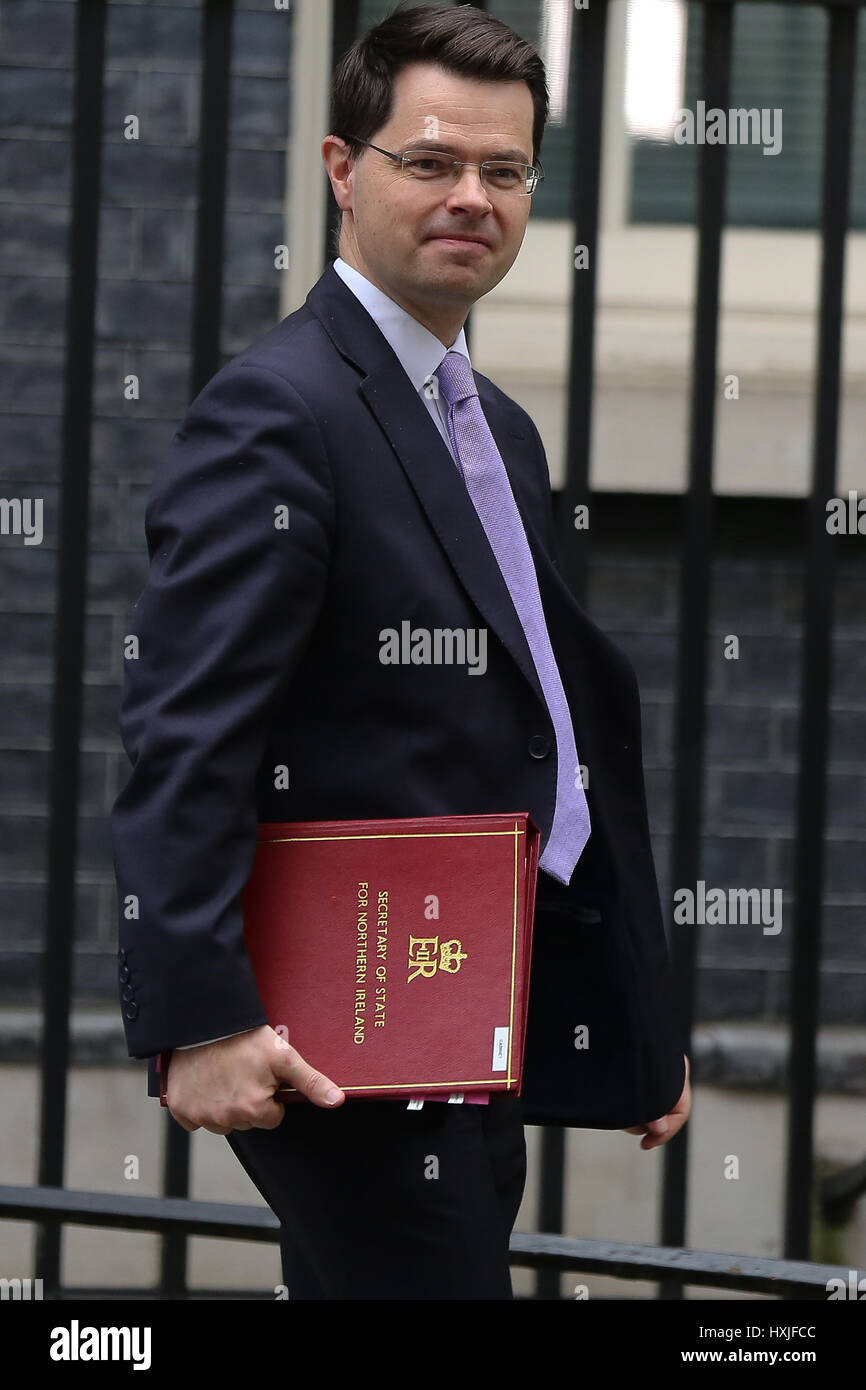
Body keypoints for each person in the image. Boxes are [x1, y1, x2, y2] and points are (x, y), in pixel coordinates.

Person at [110, 2, 690, 1301]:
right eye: (428, 161)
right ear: (339, 171)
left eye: (502, 170)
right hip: (342, 1032)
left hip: (467, 1016)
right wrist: (197, 1017)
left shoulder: (497, 428)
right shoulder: (279, 412)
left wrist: (633, 1025)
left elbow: (545, 728)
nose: (469, 195)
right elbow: (185, 729)